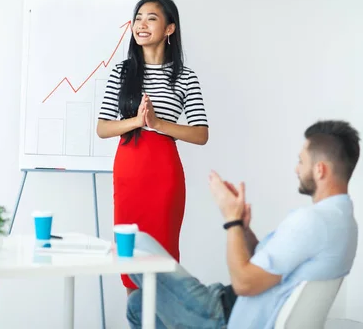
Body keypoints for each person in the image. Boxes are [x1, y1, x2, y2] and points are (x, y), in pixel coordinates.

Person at [125, 120, 360, 329]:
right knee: (138, 301)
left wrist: (232, 220)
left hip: (222, 315)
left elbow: (244, 283)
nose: (296, 169)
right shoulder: (341, 220)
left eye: (301, 161)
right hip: (227, 303)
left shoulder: (311, 222)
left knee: (134, 245)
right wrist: (245, 230)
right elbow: (272, 266)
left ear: (320, 170)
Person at [97, 0, 209, 293]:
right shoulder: (122, 73)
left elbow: (201, 133)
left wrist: (158, 125)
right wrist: (137, 121)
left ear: (170, 28)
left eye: (151, 18)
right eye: (138, 18)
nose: (141, 24)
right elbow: (103, 128)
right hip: (129, 169)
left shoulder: (185, 77)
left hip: (164, 173)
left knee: (163, 256)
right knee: (129, 255)